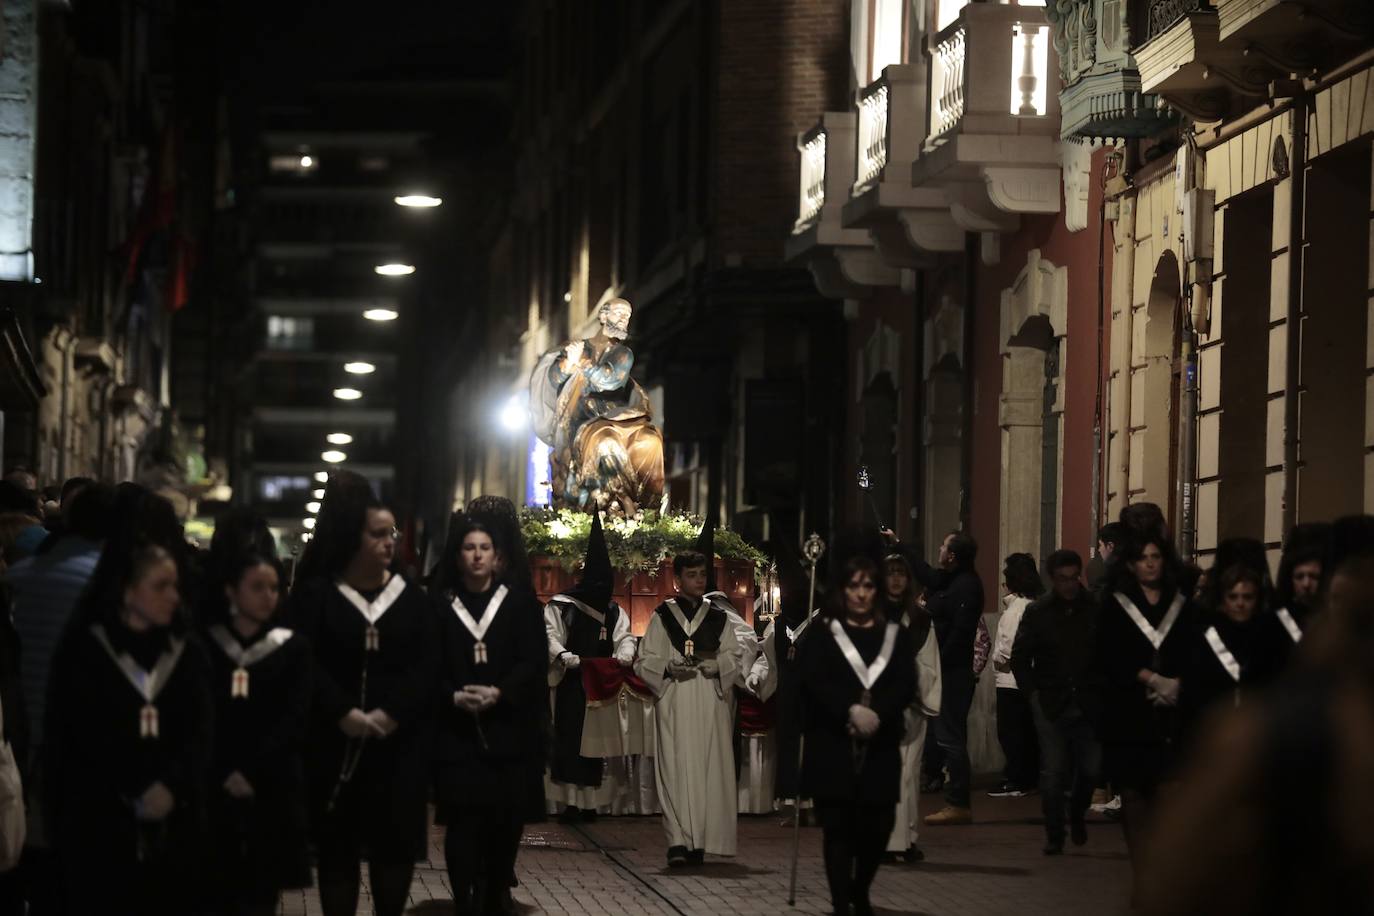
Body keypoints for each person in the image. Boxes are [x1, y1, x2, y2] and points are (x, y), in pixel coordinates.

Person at [45, 514, 213, 915]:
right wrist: (131, 787)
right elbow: (78, 734)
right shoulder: (87, 653)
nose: (174, 596)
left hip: (175, 827)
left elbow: (201, 730)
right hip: (99, 825)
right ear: (126, 590)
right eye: (160, 586)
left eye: (175, 585)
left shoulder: (186, 654)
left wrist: (172, 785)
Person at [289, 471, 438, 916]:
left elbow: (427, 664)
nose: (388, 542)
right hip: (336, 746)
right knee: (339, 858)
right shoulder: (317, 596)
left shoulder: (410, 598)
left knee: (392, 859)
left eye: (390, 533)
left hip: (397, 750)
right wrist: (342, 712)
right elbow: (302, 660)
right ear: (353, 538)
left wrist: (393, 712)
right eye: (377, 534)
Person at [432, 512, 546, 915]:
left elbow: (532, 659)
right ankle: (464, 896)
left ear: (497, 556)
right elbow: (429, 665)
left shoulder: (518, 603)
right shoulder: (441, 606)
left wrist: (500, 691)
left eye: (484, 548)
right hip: (458, 731)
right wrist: (453, 696)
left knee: (504, 818)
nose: (477, 556)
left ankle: (497, 887)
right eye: (469, 548)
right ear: (458, 555)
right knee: (462, 821)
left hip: (506, 727)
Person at [800, 549, 916, 916]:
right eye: (854, 586)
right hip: (833, 743)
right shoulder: (823, 633)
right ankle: (840, 903)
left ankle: (859, 887)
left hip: (879, 743)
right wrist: (848, 709)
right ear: (843, 590)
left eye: (868, 585)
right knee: (838, 830)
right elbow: (813, 680)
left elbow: (905, 682)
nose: (862, 593)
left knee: (878, 828)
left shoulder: (894, 635)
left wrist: (877, 713)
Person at [202, 530, 311, 916]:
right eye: (257, 587)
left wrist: (252, 769)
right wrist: (225, 768)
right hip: (212, 783)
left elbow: (294, 717)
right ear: (231, 591)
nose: (269, 596)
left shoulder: (291, 647)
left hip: (270, 785)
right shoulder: (206, 645)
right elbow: (200, 715)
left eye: (274, 588)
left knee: (261, 897)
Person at [1095, 532, 1199, 898]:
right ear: (1130, 564)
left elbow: (1194, 649)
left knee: (1170, 799)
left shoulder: (1181, 605)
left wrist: (1176, 684)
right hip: (1130, 714)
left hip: (1172, 714)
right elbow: (1109, 654)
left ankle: (1165, 872)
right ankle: (1144, 876)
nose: (1151, 562)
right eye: (1143, 557)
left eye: (1156, 556)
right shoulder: (1115, 605)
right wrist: (1150, 678)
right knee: (1136, 799)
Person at [636, 550, 742, 866]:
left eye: (702, 575)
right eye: (692, 575)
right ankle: (678, 842)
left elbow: (735, 656)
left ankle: (701, 842)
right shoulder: (661, 616)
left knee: (709, 768)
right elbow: (643, 661)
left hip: (709, 700)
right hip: (675, 700)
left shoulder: (720, 617)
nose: (699, 580)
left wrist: (717, 666)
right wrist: (667, 667)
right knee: (674, 766)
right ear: (677, 580)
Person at [544, 511, 635, 820]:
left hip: (601, 685)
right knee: (570, 740)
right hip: (572, 682)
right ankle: (571, 801)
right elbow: (549, 634)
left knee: (597, 743)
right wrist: (563, 656)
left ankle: (593, 803)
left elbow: (625, 636)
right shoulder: (563, 605)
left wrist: (625, 653)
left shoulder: (612, 611)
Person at [1011, 549, 1102, 855]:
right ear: (1053, 579)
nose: (1069, 585)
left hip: (1088, 703)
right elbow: (1020, 657)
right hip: (1051, 702)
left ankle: (1076, 812)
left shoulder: (1094, 608)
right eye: (1063, 579)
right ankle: (1054, 833)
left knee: (1090, 770)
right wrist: (1033, 696)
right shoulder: (1038, 612)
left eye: (1074, 578)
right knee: (1052, 772)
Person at [897, 530, 982, 826]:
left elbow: (959, 634)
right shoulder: (950, 580)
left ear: (953, 556)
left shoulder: (967, 587)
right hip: (942, 669)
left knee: (950, 737)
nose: (939, 549)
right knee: (945, 735)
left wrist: (935, 662)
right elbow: (928, 575)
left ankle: (958, 802)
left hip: (952, 672)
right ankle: (954, 797)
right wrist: (899, 544)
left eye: (944, 546)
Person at [1178, 564, 1283, 745]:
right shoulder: (1205, 640)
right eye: (1233, 597)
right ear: (1223, 600)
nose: (1240, 603)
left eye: (1247, 597)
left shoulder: (1270, 640)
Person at [880, 551, 941, 863]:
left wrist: (910, 675)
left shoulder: (920, 620)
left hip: (911, 707)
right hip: (878, 709)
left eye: (900, 573)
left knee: (906, 776)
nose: (895, 579)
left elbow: (930, 664)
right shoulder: (868, 615)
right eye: (889, 572)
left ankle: (906, 838)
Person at [988, 553, 1043, 799]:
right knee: (1026, 732)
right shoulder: (1036, 604)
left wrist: (998, 660)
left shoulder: (1016, 610)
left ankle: (1017, 779)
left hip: (1010, 679)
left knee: (1011, 732)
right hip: (1029, 679)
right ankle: (1026, 777)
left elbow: (1008, 651)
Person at [1271, 522, 1330, 650]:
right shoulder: (1277, 622)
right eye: (1299, 577)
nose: (1306, 584)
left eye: (1314, 577)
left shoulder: (1337, 620)